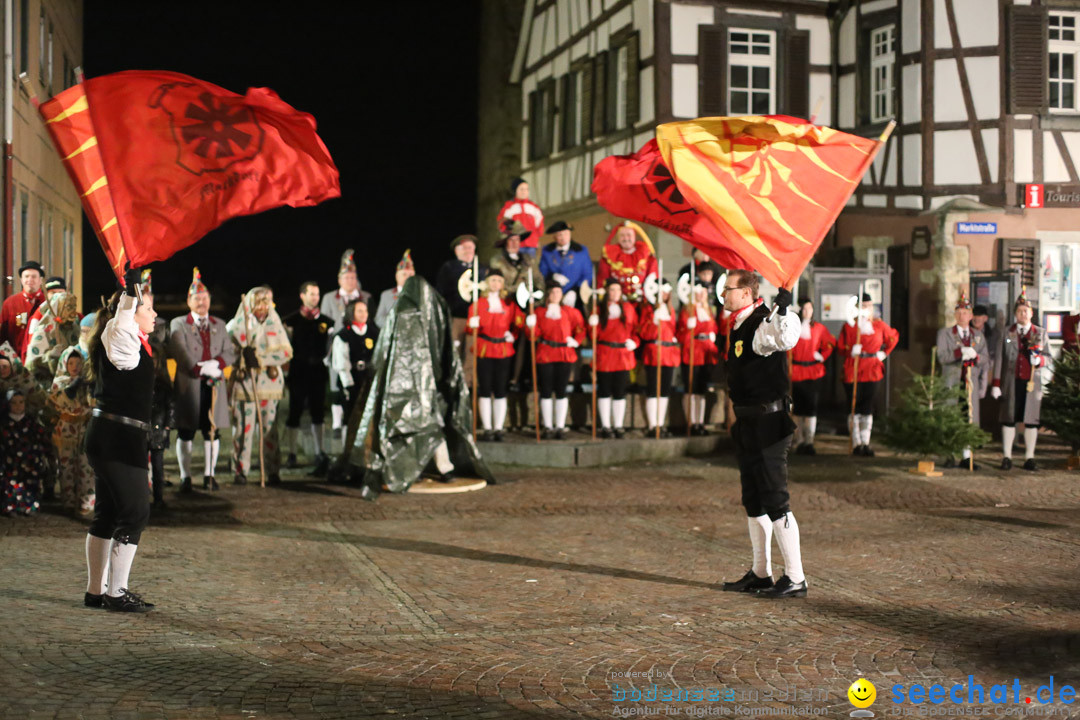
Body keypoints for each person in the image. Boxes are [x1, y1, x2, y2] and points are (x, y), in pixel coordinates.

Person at [339, 276, 495, 495]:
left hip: (424, 384)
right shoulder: (407, 313)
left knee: (431, 426)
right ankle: (428, 468)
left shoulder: (425, 312)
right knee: (421, 428)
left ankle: (443, 467)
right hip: (407, 387)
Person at [717, 270, 805, 599]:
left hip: (770, 424)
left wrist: (783, 309)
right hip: (749, 424)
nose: (723, 294)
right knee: (754, 501)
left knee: (776, 500)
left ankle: (795, 577)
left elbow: (785, 336)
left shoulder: (761, 321)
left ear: (746, 293)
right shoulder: (739, 325)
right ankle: (761, 572)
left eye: (728, 289)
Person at [83, 270, 158, 612]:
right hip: (117, 439)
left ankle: (95, 591)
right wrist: (131, 294)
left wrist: (133, 292)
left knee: (108, 513)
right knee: (135, 511)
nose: (155, 314)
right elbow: (123, 319)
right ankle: (116, 593)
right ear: (133, 312)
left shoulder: (128, 336)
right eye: (150, 308)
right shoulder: (120, 330)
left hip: (113, 436)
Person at [168, 268, 235, 493]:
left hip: (214, 386)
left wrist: (217, 365)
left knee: (212, 430)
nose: (202, 302)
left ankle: (209, 474)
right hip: (189, 385)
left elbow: (229, 351)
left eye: (205, 298)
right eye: (197, 298)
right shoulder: (179, 323)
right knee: (186, 431)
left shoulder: (220, 324)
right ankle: (186, 477)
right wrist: (198, 367)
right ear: (189, 301)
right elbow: (179, 349)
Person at [228, 286, 293, 486]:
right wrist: (242, 356)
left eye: (265, 304)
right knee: (243, 430)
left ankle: (272, 470)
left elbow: (286, 352)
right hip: (245, 384)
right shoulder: (236, 326)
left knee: (269, 430)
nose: (262, 308)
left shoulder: (275, 324)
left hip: (269, 385)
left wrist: (261, 358)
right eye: (258, 304)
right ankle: (241, 470)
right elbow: (226, 351)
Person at [990, 288, 1050, 471]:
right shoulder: (1007, 332)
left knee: (1031, 420)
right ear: (1015, 314)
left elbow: (1049, 357)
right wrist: (996, 383)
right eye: (1019, 311)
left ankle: (1029, 457)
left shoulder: (1040, 333)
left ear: (1031, 313)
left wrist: (1039, 360)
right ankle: (1007, 456)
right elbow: (999, 357)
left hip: (1032, 382)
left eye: (1026, 311)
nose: (1022, 314)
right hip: (1011, 382)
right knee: (1009, 418)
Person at [835, 293, 899, 456]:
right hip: (854, 368)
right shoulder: (850, 326)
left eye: (869, 306)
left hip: (871, 368)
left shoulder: (879, 325)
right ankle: (856, 442)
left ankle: (865, 442)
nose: (866, 309)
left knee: (867, 405)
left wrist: (884, 353)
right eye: (863, 306)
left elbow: (893, 337)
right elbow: (841, 347)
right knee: (854, 405)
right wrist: (851, 350)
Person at [283, 281, 333, 476]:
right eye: (311, 294)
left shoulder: (327, 323)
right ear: (302, 296)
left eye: (317, 294)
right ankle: (292, 452)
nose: (315, 297)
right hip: (298, 371)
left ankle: (319, 451)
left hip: (318, 372)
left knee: (318, 412)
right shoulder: (291, 321)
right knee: (294, 411)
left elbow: (329, 348)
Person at [935, 289, 990, 469]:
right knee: (951, 416)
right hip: (952, 381)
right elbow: (942, 357)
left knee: (969, 418)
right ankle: (949, 454)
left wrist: (975, 356)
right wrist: (959, 352)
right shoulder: (945, 334)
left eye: (965, 313)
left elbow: (986, 359)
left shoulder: (978, 336)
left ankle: (967, 456)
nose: (962, 316)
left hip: (970, 384)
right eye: (959, 313)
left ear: (971, 315)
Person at [321, 250, 370, 443]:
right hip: (337, 347)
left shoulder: (365, 296)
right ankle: (336, 422)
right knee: (337, 384)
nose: (350, 281)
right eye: (347, 277)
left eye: (353, 277)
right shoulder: (330, 298)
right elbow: (324, 323)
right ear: (340, 279)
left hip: (360, 345)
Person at [467, 271, 523, 441]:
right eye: (492, 280)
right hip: (484, 347)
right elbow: (470, 329)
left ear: (503, 284)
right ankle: (487, 428)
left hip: (503, 348)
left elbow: (519, 321)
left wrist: (514, 333)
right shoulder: (478, 304)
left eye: (499, 280)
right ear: (487, 282)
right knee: (485, 388)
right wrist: (472, 324)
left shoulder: (508, 304)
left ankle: (498, 427)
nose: (495, 283)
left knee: (500, 388)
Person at [489, 222, 544, 391]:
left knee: (524, 342)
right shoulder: (497, 261)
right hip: (505, 306)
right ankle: (502, 378)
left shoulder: (528, 260)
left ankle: (519, 378)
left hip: (524, 307)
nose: (514, 243)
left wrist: (536, 297)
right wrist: (516, 289)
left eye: (517, 240)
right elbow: (496, 283)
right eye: (510, 240)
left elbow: (538, 281)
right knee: (505, 340)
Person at [526, 285, 585, 438]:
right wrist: (530, 325)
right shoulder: (539, 313)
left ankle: (560, 426)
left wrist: (576, 341)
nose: (555, 294)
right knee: (546, 390)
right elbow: (533, 336)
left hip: (564, 353)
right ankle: (548, 426)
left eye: (558, 292)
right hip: (545, 353)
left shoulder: (570, 312)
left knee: (561, 390)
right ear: (547, 294)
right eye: (552, 291)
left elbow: (580, 328)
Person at [47, 347, 95, 516]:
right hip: (66, 428)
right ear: (64, 364)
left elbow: (93, 402)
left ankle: (86, 501)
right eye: (71, 363)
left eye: (78, 363)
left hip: (84, 426)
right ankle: (68, 500)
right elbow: (60, 400)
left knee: (86, 465)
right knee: (66, 466)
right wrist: (74, 385)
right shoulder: (59, 382)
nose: (75, 366)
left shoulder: (88, 382)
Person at [591, 278, 638, 438]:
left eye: (618, 290)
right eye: (612, 290)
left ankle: (618, 425)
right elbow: (592, 336)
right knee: (604, 390)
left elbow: (636, 330)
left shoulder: (628, 308)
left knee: (620, 391)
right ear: (607, 292)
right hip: (605, 353)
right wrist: (593, 324)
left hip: (623, 355)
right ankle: (606, 426)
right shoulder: (599, 309)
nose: (615, 293)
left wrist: (635, 342)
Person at [435, 234, 487, 376]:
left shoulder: (481, 269)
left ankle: (469, 386)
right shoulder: (449, 268)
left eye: (470, 247)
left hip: (476, 320)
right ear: (457, 251)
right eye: (464, 248)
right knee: (454, 351)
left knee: (471, 353)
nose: (468, 250)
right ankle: (452, 383)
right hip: (456, 317)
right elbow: (440, 293)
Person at [790, 298, 835, 455]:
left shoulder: (819, 328)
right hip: (796, 371)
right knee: (798, 408)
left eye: (809, 308)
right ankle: (799, 440)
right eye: (804, 309)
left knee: (811, 407)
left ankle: (809, 441)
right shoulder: (794, 328)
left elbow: (830, 343)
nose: (806, 311)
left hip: (813, 371)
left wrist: (822, 355)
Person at [637, 279, 680, 437]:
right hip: (654, 352)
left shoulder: (670, 311)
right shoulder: (648, 310)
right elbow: (643, 332)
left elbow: (673, 329)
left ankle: (660, 424)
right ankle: (651, 425)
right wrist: (653, 320)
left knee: (664, 390)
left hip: (668, 353)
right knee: (653, 389)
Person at [678, 283, 719, 436]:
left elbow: (714, 328)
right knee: (691, 388)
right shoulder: (687, 310)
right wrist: (688, 328)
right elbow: (681, 334)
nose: (701, 295)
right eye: (698, 292)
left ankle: (699, 422)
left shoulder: (709, 310)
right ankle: (691, 422)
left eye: (703, 292)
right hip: (692, 351)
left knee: (701, 390)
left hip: (706, 352)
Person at [0, 388, 50, 516]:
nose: (18, 406)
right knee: (11, 483)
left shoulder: (31, 422)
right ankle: (11, 506)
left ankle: (29, 506)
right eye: (14, 402)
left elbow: (42, 441)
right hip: (10, 463)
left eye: (21, 402)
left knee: (30, 483)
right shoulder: (4, 423)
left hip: (30, 463)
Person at [330, 298, 378, 429]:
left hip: (369, 379)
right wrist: (348, 384)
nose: (364, 314)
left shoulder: (374, 332)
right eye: (360, 311)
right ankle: (348, 447)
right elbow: (341, 362)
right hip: (352, 379)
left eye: (365, 311)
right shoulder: (344, 335)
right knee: (351, 416)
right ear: (352, 313)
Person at [24, 286, 81, 376]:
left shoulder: (76, 329)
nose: (73, 312)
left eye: (74, 307)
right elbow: (30, 365)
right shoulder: (44, 331)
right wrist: (49, 356)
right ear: (57, 308)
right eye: (68, 307)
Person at [597, 221, 658, 304]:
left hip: (643, 302)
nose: (626, 238)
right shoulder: (609, 257)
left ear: (634, 236)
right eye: (622, 235)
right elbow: (603, 280)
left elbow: (653, 279)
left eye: (629, 235)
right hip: (618, 303)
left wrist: (644, 293)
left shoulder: (646, 255)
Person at [538, 221, 592, 309]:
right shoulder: (547, 251)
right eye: (559, 235)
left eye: (566, 234)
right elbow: (542, 271)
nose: (563, 237)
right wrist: (552, 276)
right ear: (554, 237)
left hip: (575, 296)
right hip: (553, 295)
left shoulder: (581, 250)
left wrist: (575, 291)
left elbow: (587, 275)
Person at [0, 261, 46, 361]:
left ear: (41, 280)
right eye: (26, 276)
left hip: (42, 361)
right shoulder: (10, 303)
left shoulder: (47, 303)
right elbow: (2, 334)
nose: (30, 280)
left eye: (34, 277)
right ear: (21, 280)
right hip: (16, 361)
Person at [498, 177, 544, 257]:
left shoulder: (534, 208)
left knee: (529, 267)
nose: (524, 192)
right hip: (515, 246)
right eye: (521, 189)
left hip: (531, 245)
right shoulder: (509, 207)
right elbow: (501, 224)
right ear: (515, 191)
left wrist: (534, 238)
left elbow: (539, 226)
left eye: (526, 189)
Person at [374, 250, 416, 329]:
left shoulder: (420, 294)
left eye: (411, 274)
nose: (408, 278)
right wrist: (394, 326)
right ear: (397, 277)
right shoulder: (386, 295)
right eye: (404, 274)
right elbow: (379, 319)